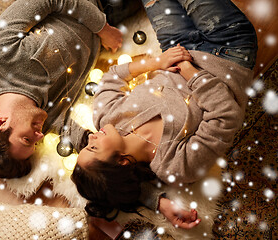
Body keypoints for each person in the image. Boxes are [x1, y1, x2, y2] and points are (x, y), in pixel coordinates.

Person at [71, 0, 257, 228]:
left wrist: (157, 62)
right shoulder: (176, 166)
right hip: (229, 53)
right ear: (121, 162)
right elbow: (226, 115)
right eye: (93, 147)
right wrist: (191, 73)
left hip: (176, 44)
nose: (91, 136)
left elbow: (113, 77)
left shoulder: (106, 117)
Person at [0, 0, 123, 178]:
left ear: (0, 123)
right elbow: (75, 134)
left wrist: (103, 29)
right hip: (113, 16)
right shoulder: (40, 117)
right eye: (35, 143)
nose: (39, 136)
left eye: (27, 139)